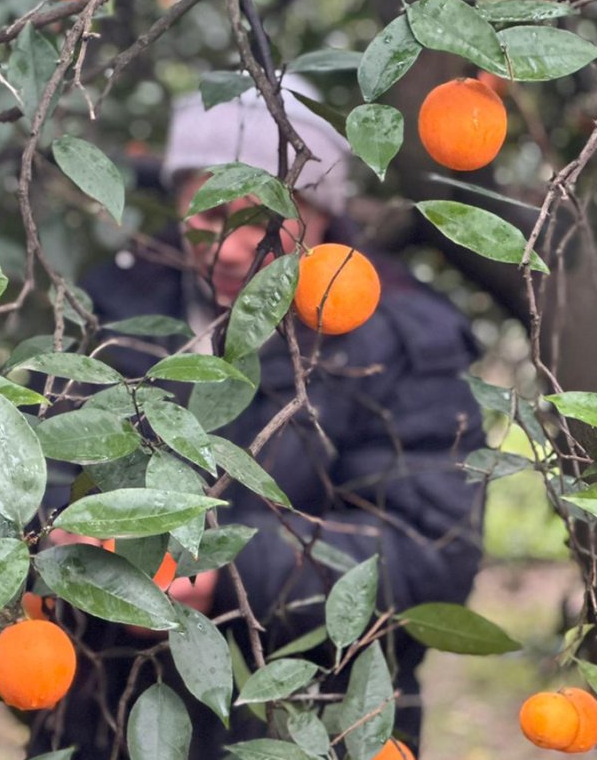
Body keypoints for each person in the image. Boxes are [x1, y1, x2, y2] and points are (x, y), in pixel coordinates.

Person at [29, 79, 487, 758]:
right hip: (107, 722)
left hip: (316, 727)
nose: (231, 250)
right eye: (208, 216)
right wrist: (65, 542)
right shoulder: (108, 315)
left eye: (262, 221)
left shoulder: (404, 341)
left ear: (324, 216)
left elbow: (431, 556)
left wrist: (216, 572)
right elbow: (26, 472)